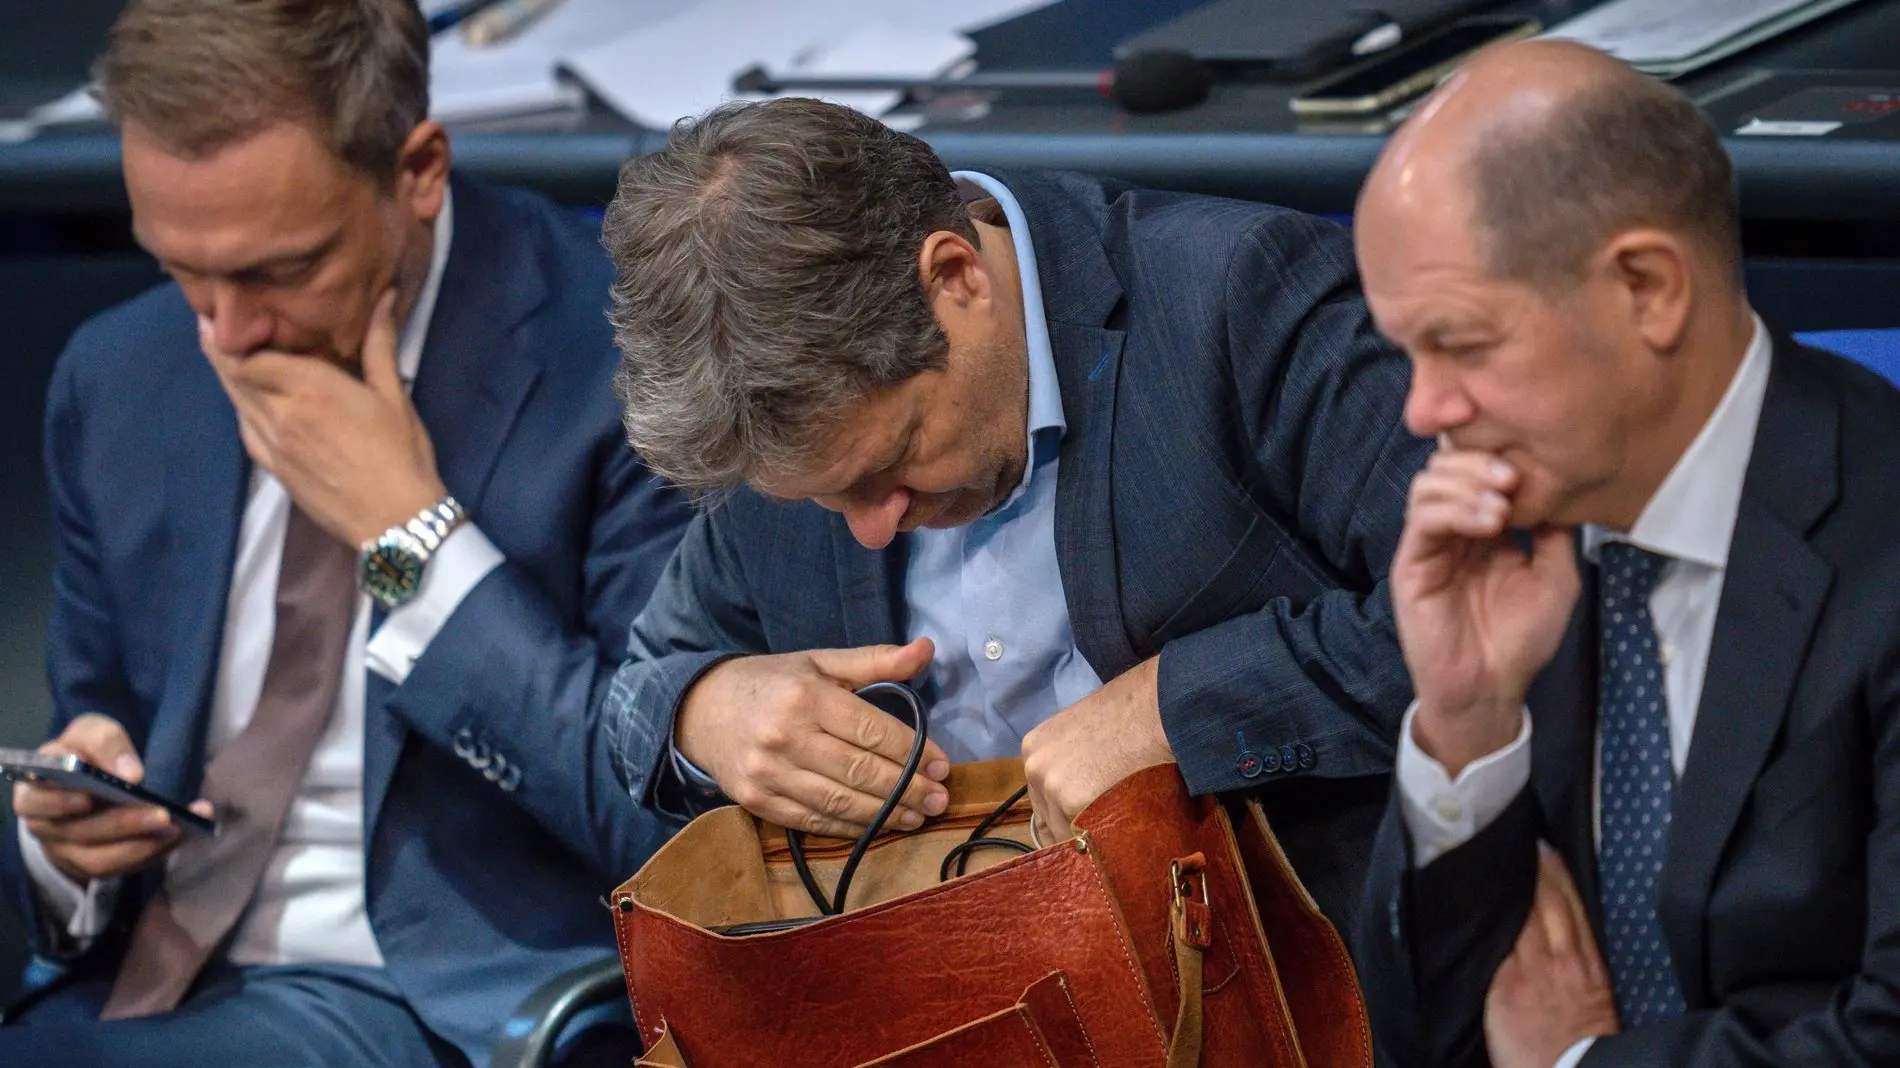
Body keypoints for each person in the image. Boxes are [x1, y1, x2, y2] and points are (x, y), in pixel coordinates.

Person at [0, 1, 690, 1064]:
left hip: (448, 1000)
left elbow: (668, 828)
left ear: (417, 171)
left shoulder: (631, 359)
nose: (225, 333)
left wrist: (406, 536)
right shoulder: (122, 373)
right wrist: (70, 842)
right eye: (180, 268)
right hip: (144, 980)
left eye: (280, 270)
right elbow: (98, 726)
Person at [597, 96, 1429, 930]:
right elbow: (634, 697)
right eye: (821, 499)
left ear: (957, 278)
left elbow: (1486, 616)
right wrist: (705, 709)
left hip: (1301, 967)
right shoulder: (783, 425)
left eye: (891, 463)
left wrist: (1181, 711)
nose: (870, 528)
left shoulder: (1240, 299)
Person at [1351, 40, 1900, 1068]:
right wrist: (1466, 725)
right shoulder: (1506, 541)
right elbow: (1420, 1035)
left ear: (1647, 288)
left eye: (1462, 345)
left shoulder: (1881, 553)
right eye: (1405, 354)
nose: (1422, 411)